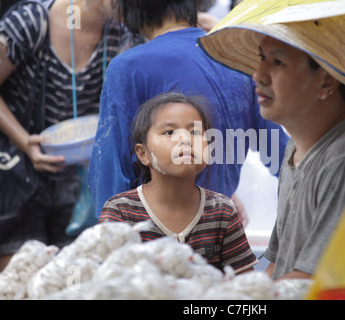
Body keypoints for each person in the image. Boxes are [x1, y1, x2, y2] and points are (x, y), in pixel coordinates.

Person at [198, 0, 345, 283]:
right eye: (261, 58)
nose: (258, 75)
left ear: (326, 82)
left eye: (277, 62)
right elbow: (278, 263)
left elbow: (313, 283)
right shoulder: (298, 145)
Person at [88, 0, 289, 223]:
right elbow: (284, 158)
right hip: (218, 233)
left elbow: (110, 174)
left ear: (130, 10)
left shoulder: (129, 67)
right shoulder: (236, 60)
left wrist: (111, 241)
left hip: (157, 239)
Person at [0, 0, 131, 271]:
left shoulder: (120, 31)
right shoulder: (32, 22)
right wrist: (24, 141)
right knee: (21, 273)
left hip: (75, 183)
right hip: (17, 179)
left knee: (71, 276)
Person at [99, 92, 258, 274]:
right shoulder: (120, 211)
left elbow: (246, 287)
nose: (185, 140)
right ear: (143, 154)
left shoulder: (223, 211)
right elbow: (108, 284)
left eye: (195, 132)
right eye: (170, 132)